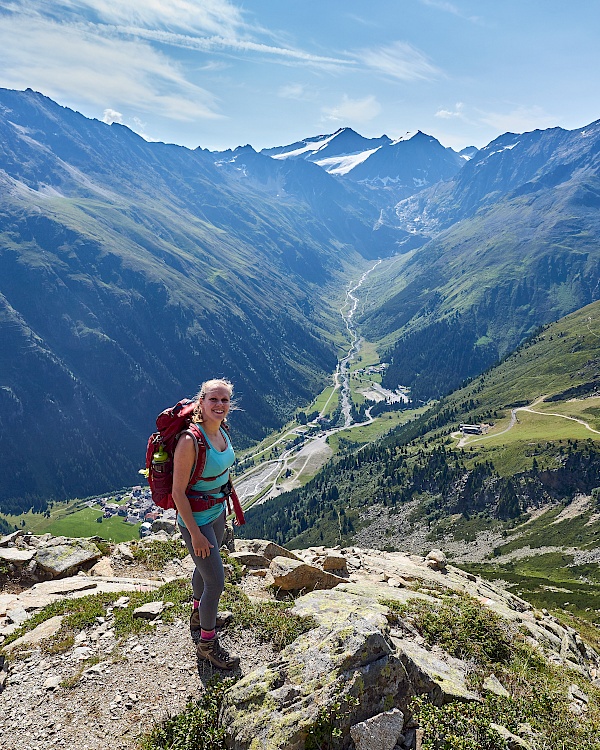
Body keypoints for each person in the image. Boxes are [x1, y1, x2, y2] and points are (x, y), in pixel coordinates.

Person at [171, 378, 240, 670]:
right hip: (196, 521)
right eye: (213, 399)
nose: (220, 405)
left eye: (224, 400)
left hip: (216, 512)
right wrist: (196, 534)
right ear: (201, 402)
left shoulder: (221, 430)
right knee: (215, 581)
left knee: (205, 570)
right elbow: (177, 492)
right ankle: (207, 645)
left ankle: (199, 617)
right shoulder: (190, 440)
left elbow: (220, 471)